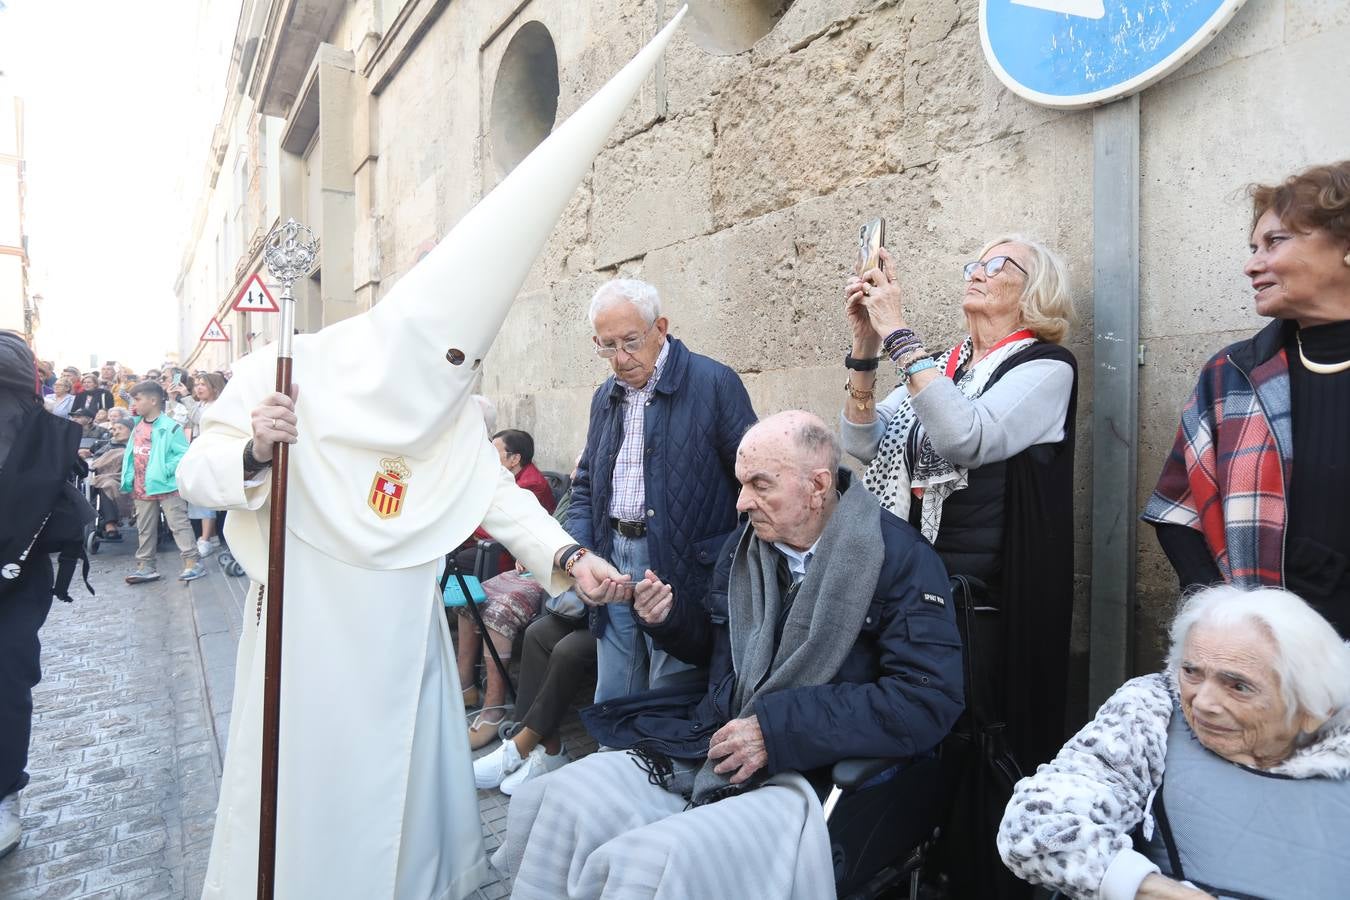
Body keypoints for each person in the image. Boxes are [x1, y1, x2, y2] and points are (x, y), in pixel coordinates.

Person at [174, 18, 682, 898]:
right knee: (309, 813)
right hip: (306, 635)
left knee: (405, 815)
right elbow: (196, 473)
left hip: (401, 642)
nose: (442, 396)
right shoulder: (292, 373)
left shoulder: (449, 411)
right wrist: (256, 448)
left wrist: (569, 557)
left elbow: (498, 499)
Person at [492, 411, 964, 897]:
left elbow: (926, 702)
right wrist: (667, 622)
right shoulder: (747, 550)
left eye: (760, 485)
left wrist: (776, 730)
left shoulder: (899, 559)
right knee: (559, 797)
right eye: (741, 485)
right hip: (713, 739)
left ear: (818, 486)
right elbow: (721, 660)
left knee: (652, 861)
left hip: (812, 774)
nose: (742, 503)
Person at [840, 235, 1078, 771]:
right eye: (975, 262)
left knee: (966, 735)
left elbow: (965, 438)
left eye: (998, 265)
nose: (978, 271)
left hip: (978, 600)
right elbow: (863, 443)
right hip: (911, 580)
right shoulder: (946, 366)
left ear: (1035, 289)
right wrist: (866, 349)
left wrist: (899, 334)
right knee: (907, 728)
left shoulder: (1047, 367)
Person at [999, 585, 1350, 900]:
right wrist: (1149, 889)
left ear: (1314, 709)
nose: (1202, 703)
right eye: (1191, 672)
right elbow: (1033, 826)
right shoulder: (1153, 712)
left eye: (1238, 686)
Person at [1145, 161, 1350, 635]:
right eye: (1253, 247)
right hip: (1264, 658)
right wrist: (1226, 616)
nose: (1252, 264)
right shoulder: (1232, 374)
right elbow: (1177, 513)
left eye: (1274, 242)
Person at [567, 277, 757, 703]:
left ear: (661, 328)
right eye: (606, 346)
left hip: (686, 565)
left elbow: (753, 482)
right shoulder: (605, 397)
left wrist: (729, 569)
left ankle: (659, 770)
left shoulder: (714, 384)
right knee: (615, 689)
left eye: (631, 341)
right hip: (613, 557)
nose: (620, 358)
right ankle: (608, 767)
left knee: (670, 692)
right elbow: (585, 488)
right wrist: (583, 553)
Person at [0, 331, 93, 859]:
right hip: (21, 567)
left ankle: (5, 792)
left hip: (17, 564)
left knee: (7, 675)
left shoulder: (19, 403)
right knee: (9, 675)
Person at [456, 435, 563, 749]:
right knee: (469, 597)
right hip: (528, 563)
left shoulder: (533, 485)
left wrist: (540, 549)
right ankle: (464, 686)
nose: (579, 466)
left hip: (551, 572)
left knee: (499, 609)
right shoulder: (578, 496)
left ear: (514, 458)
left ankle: (494, 707)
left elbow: (533, 528)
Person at [120, 380, 205, 584]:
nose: (134, 404)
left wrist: (164, 470)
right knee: (145, 527)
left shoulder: (170, 427)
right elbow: (132, 453)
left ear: (153, 400)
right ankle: (146, 565)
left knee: (178, 524)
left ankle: (192, 562)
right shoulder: (138, 426)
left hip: (165, 486)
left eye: (138, 399)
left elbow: (182, 454)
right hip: (142, 487)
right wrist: (130, 476)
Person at [186, 372, 227, 557]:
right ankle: (210, 536)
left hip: (213, 455)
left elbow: (198, 419)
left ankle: (206, 538)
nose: (198, 388)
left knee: (207, 495)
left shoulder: (218, 406)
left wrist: (186, 399)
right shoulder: (201, 404)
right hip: (199, 453)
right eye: (197, 384)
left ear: (215, 387)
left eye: (203, 384)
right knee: (202, 495)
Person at [88, 419, 132, 541]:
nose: (116, 432)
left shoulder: (139, 445)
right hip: (111, 477)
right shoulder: (107, 446)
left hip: (134, 477)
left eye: (120, 428)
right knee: (106, 485)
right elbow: (96, 464)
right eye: (114, 429)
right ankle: (110, 525)